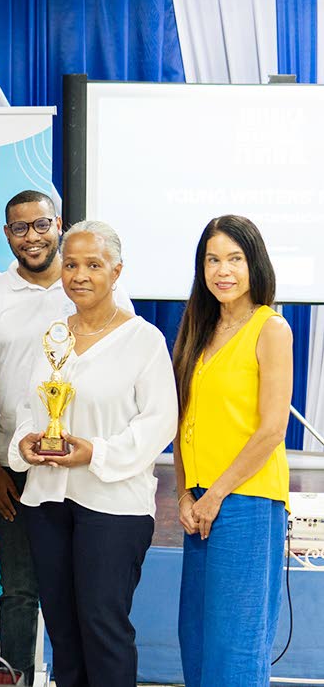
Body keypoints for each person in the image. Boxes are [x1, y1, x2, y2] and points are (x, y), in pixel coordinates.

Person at [0, 190, 133, 685]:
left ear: (58, 224)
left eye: (40, 225)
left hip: (87, 465)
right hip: (16, 464)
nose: (31, 237)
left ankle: (69, 677)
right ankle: (15, 678)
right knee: (20, 589)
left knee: (80, 591)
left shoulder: (91, 284)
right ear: (5, 234)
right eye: (19, 228)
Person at [10, 221, 177, 687]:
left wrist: (95, 452)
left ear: (117, 271)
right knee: (62, 632)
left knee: (103, 629)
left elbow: (159, 422)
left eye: (93, 265)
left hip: (113, 505)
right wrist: (26, 440)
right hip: (47, 499)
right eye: (71, 264)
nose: (79, 275)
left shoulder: (144, 340)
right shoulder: (53, 336)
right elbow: (32, 405)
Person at [171, 215, 292, 687]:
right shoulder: (198, 330)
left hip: (246, 500)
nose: (224, 270)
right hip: (199, 501)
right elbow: (183, 425)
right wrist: (185, 496)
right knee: (196, 640)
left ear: (254, 263)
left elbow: (271, 429)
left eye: (235, 259)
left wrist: (215, 495)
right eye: (213, 259)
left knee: (235, 646)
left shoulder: (270, 328)